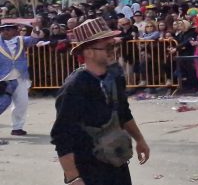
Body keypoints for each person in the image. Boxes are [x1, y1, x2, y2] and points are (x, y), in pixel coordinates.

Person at [51, 18, 150, 185]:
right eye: (108, 47)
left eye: (114, 45)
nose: (113, 51)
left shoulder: (115, 76)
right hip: (88, 168)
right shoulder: (75, 86)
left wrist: (140, 140)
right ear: (89, 52)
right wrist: (73, 176)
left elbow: (124, 113)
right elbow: (61, 135)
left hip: (116, 161)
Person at [0, 21, 39, 135]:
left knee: (22, 103)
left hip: (20, 77)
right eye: (3, 29)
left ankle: (17, 127)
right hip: (3, 79)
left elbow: (34, 39)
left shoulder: (21, 40)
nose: (5, 31)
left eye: (8, 29)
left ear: (15, 30)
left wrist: (36, 25)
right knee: (2, 103)